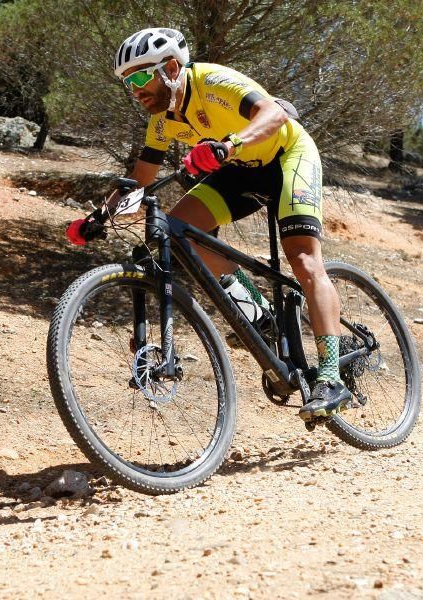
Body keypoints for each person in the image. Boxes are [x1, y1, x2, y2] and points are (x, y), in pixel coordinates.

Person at [67, 27, 350, 421]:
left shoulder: (213, 81)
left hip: (287, 157)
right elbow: (140, 180)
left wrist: (228, 144)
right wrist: (100, 216)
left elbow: (275, 113)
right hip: (237, 170)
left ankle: (332, 375)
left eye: (137, 78)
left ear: (169, 67)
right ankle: (259, 311)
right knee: (176, 231)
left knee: (303, 261)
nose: (133, 90)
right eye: (126, 83)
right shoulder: (162, 121)